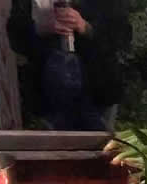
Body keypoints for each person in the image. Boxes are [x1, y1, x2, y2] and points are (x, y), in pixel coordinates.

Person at [8, 0, 131, 131]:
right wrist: (41, 29)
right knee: (59, 142)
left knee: (100, 141)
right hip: (49, 95)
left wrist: (86, 27)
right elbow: (15, 35)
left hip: (98, 91)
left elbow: (122, 35)